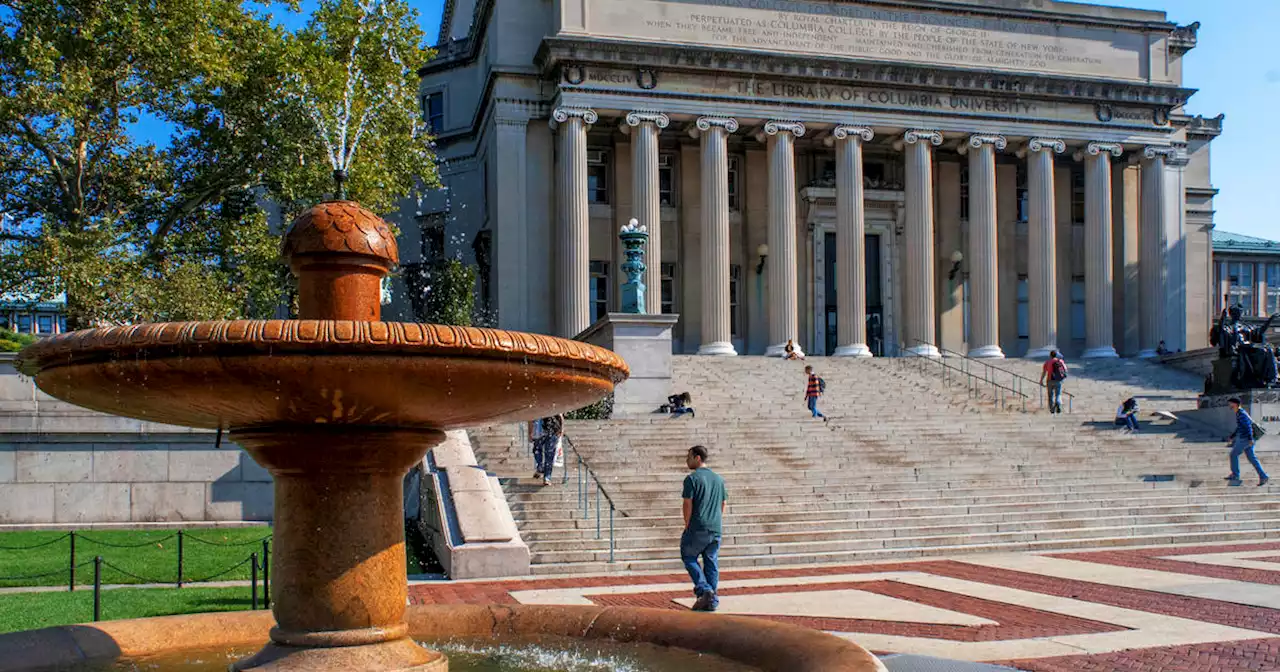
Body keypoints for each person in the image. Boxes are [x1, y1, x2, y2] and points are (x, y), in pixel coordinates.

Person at [681, 445, 726, 612]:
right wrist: (717, 520)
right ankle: (712, 599)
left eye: (689, 456)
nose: (687, 460)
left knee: (689, 557)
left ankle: (704, 590)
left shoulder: (692, 479)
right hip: (715, 527)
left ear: (698, 458)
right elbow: (723, 503)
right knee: (711, 560)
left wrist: (687, 524)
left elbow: (687, 503)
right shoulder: (719, 479)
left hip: (698, 526)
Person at [1225, 397, 1268, 487]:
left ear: (1235, 404)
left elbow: (1248, 427)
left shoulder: (1242, 414)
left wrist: (1250, 439)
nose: (1229, 405)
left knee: (1233, 454)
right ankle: (1263, 476)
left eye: (1230, 403)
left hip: (1245, 439)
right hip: (1246, 438)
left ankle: (1235, 475)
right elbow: (1240, 427)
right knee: (1251, 458)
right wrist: (1232, 436)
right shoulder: (1239, 413)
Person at [532, 413, 563, 486]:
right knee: (547, 453)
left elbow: (560, 416)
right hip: (549, 430)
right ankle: (545, 475)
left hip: (545, 430)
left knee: (540, 450)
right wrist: (561, 430)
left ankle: (543, 472)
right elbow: (560, 417)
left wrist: (561, 430)